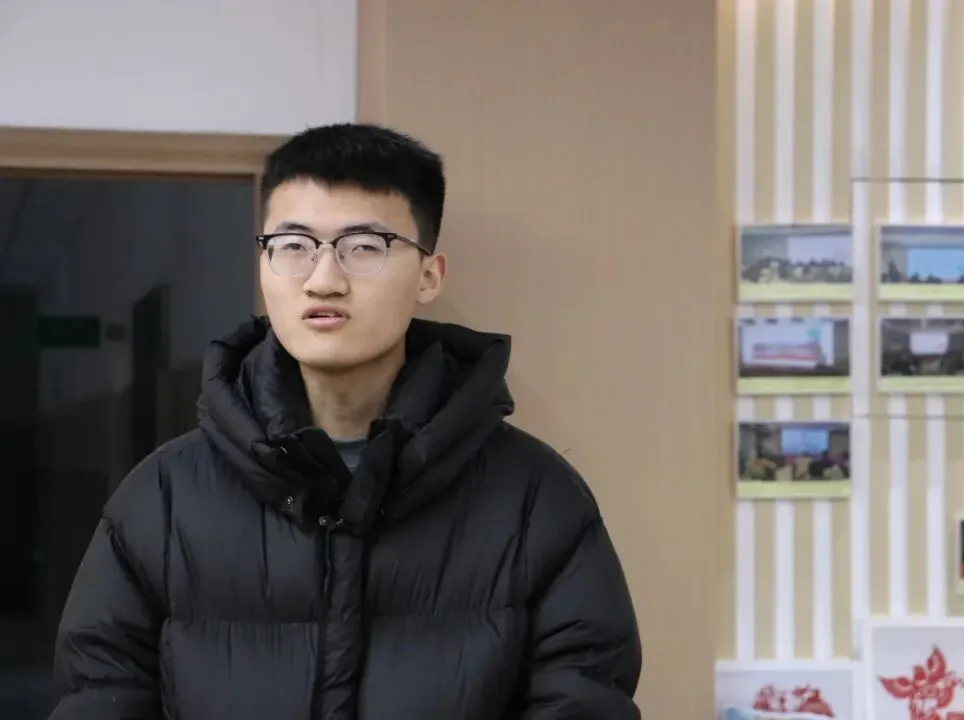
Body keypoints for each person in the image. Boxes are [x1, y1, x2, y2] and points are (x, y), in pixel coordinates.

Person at [50, 124, 642, 719]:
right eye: (293, 246)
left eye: (364, 246)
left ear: (429, 276)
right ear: (264, 265)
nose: (323, 280)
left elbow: (584, 702)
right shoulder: (162, 499)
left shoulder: (538, 501)